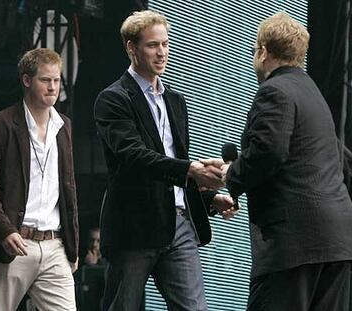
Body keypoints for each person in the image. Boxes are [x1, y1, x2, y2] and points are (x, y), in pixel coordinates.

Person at [211, 11, 352, 311]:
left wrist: (232, 173)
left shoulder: (274, 91)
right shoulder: (313, 93)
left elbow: (269, 152)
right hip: (337, 241)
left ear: (263, 52)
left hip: (295, 244)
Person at [94, 10, 236, 311]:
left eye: (166, 44)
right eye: (152, 45)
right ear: (131, 48)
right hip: (134, 228)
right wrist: (190, 170)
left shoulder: (175, 99)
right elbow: (134, 156)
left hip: (179, 224)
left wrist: (209, 197)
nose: (162, 52)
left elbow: (173, 162)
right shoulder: (113, 99)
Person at [0, 48, 79, 311]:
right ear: (26, 80)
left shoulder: (63, 126)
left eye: (56, 80)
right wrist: (4, 229)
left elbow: (68, 188)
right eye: (46, 80)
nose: (53, 87)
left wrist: (73, 245)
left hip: (54, 247)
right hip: (13, 244)